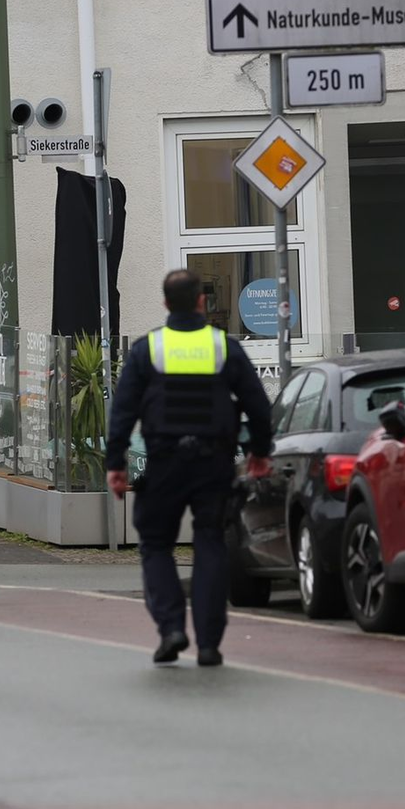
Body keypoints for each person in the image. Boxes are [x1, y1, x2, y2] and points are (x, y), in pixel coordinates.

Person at [106, 268, 273, 667]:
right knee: (211, 542)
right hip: (213, 462)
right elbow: (257, 405)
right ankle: (209, 644)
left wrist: (116, 464)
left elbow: (123, 410)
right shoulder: (223, 347)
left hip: (164, 462)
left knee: (156, 544)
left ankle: (171, 629)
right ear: (202, 301)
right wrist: (260, 452)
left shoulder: (148, 349)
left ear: (165, 303)